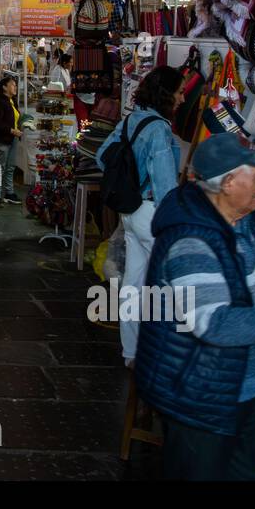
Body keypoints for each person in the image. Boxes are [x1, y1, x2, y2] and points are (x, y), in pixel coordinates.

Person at [136, 133, 255, 481]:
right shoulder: (191, 241)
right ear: (228, 183)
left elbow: (243, 290)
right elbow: (214, 324)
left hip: (241, 388)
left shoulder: (241, 223)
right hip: (201, 396)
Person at [94, 65, 184, 366]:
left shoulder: (132, 119)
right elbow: (166, 185)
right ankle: (165, 354)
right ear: (167, 95)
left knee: (133, 283)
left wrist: (130, 181)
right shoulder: (159, 129)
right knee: (173, 283)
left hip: (130, 213)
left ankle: (131, 352)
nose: (183, 98)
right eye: (180, 92)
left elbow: (102, 154)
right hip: (151, 214)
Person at [0, 76, 22, 206]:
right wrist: (12, 130)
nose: (15, 87)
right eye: (13, 85)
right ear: (4, 87)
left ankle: (9, 193)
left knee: (10, 166)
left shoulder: (11, 100)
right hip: (1, 138)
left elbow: (15, 117)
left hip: (12, 139)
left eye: (15, 85)